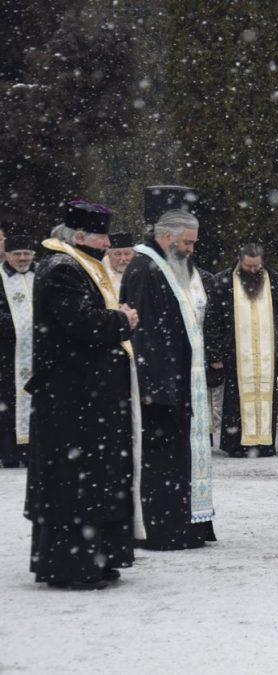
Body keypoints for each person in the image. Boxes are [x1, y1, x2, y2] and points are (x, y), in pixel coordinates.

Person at [24, 200, 140, 589]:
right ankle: (74, 566)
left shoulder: (77, 264)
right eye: (103, 236)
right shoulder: (62, 269)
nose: (108, 244)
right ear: (79, 236)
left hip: (88, 396)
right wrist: (121, 319)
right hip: (71, 398)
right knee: (77, 484)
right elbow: (80, 322)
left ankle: (99, 556)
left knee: (94, 480)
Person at [121, 208, 216, 550]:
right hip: (159, 388)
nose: (191, 249)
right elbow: (144, 334)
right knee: (160, 461)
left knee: (177, 458)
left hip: (178, 381)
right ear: (166, 238)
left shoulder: (169, 265)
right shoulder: (144, 268)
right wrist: (156, 389)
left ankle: (185, 524)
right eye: (187, 242)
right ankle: (163, 530)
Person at [205, 244, 278, 458]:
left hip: (267, 353)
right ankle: (236, 444)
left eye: (257, 266)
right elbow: (213, 320)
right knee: (236, 399)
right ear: (239, 261)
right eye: (249, 266)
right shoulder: (223, 281)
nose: (254, 270)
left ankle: (264, 443)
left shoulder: (275, 281)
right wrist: (215, 354)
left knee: (266, 396)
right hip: (236, 352)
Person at [0, 229, 37, 468]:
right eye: (17, 254)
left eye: (27, 253)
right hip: (7, 353)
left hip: (38, 352)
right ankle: (10, 453)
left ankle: (32, 451)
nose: (23, 259)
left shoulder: (42, 273)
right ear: (7, 255)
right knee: (8, 403)